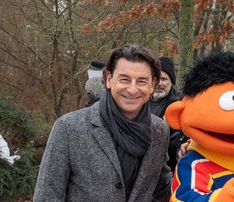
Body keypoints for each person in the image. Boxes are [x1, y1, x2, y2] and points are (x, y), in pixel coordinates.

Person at [33, 44, 171, 201]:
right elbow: (47, 195)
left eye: (141, 81)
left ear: (152, 84)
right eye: (124, 79)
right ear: (108, 80)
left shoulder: (160, 130)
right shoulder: (68, 127)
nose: (132, 89)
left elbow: (162, 190)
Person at [149, 56, 185, 172]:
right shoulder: (137, 104)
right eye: (155, 78)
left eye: (164, 79)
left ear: (172, 82)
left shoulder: (181, 106)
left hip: (171, 171)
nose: (159, 83)